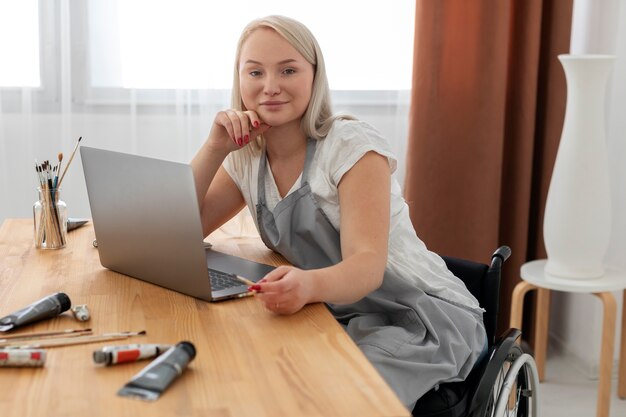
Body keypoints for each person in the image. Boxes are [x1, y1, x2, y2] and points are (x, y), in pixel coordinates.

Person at [191, 15, 487, 410]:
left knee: (328, 399)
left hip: (423, 319)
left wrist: (308, 286)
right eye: (255, 72)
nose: (270, 86)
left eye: (288, 70)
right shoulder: (247, 157)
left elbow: (366, 266)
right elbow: (181, 229)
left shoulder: (351, 146)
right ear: (239, 79)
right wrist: (214, 148)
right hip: (342, 312)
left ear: (314, 76)